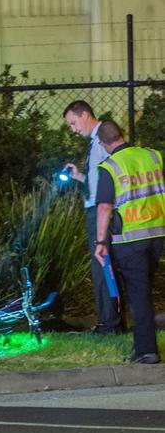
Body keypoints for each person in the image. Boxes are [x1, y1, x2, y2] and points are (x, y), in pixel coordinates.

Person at [94, 120, 165, 364]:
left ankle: (146, 350)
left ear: (103, 144)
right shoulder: (153, 156)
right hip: (156, 234)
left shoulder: (109, 166)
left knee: (138, 294)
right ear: (121, 135)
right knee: (145, 290)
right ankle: (147, 346)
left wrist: (101, 241)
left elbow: (104, 207)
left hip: (129, 239)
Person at [63, 100, 123, 335]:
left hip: (101, 211)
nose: (73, 129)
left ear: (85, 114)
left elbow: (109, 182)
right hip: (99, 207)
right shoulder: (97, 142)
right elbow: (99, 179)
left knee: (103, 266)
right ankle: (111, 321)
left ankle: (109, 324)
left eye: (73, 123)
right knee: (105, 266)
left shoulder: (102, 140)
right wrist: (80, 177)